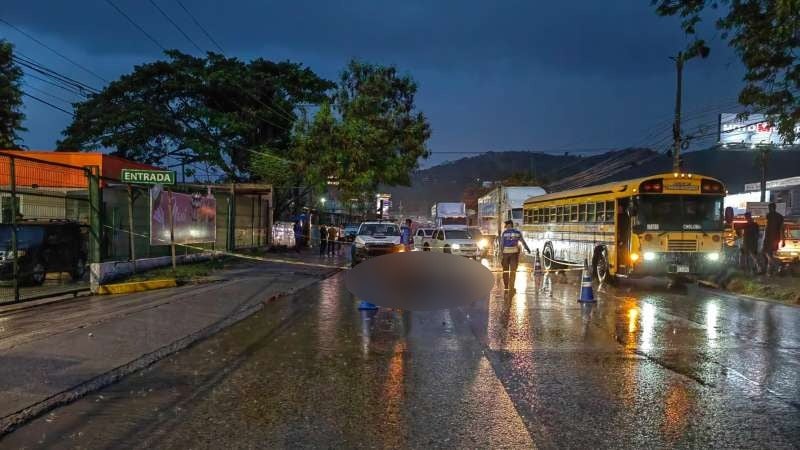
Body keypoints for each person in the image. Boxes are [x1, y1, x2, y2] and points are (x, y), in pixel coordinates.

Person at [500, 219, 531, 293]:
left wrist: (501, 255)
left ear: (509, 225)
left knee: (505, 271)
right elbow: (523, 242)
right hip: (514, 254)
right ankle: (511, 287)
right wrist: (528, 249)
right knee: (513, 272)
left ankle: (506, 288)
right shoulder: (517, 232)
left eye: (506, 226)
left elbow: (502, 245)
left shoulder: (504, 233)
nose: (505, 227)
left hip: (506, 254)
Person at [762, 202, 785, 275]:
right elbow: (781, 229)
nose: (768, 209)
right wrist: (783, 240)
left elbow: (766, 228)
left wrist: (764, 238)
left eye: (769, 208)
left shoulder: (769, 216)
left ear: (771, 208)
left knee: (766, 252)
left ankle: (778, 265)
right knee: (771, 254)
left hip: (769, 238)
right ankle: (769, 272)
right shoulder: (780, 217)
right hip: (776, 239)